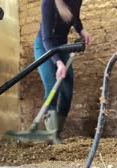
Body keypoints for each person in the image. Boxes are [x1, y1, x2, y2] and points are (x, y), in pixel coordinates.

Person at [34, 0, 93, 144]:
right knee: (52, 86)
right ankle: (52, 135)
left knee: (67, 89)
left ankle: (57, 132)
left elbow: (75, 19)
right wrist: (58, 63)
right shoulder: (48, 3)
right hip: (44, 46)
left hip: (62, 46)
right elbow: (46, 37)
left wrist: (82, 31)